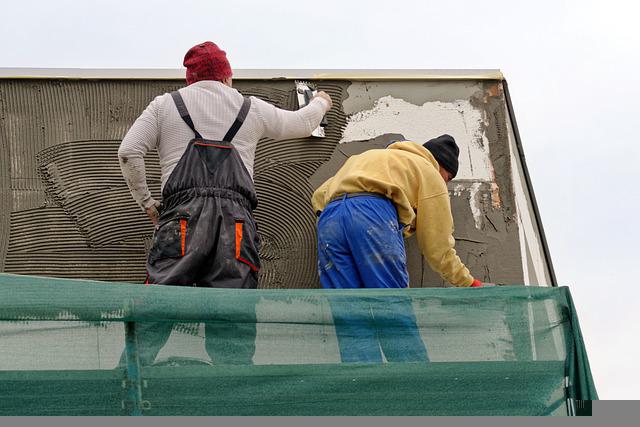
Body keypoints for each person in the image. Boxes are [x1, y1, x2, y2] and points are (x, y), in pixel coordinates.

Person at [117, 41, 332, 366]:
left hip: (181, 222)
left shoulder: (165, 106)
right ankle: (232, 401)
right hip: (235, 227)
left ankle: (126, 389)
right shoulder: (251, 108)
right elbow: (301, 124)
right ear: (227, 76)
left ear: (190, 78)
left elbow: (129, 151)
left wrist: (149, 205)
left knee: (156, 310)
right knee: (232, 318)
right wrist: (321, 102)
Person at [311, 135, 486, 362]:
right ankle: (411, 382)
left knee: (349, 314)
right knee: (391, 305)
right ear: (441, 166)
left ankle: (363, 384)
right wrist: (467, 282)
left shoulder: (371, 157)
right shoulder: (428, 171)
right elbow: (438, 247)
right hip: (372, 215)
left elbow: (319, 195)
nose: (445, 183)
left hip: (330, 220)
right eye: (448, 177)